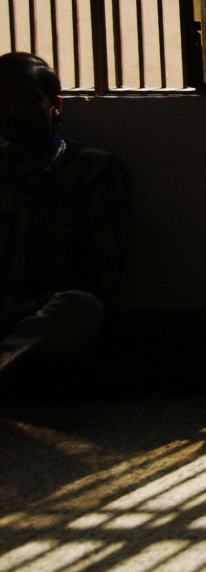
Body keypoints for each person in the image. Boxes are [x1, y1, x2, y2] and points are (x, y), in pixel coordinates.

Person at [0, 52, 129, 386]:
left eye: (27, 97)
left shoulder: (93, 169)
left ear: (55, 104)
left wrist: (22, 311)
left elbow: (98, 273)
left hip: (44, 315)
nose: (12, 109)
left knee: (82, 307)